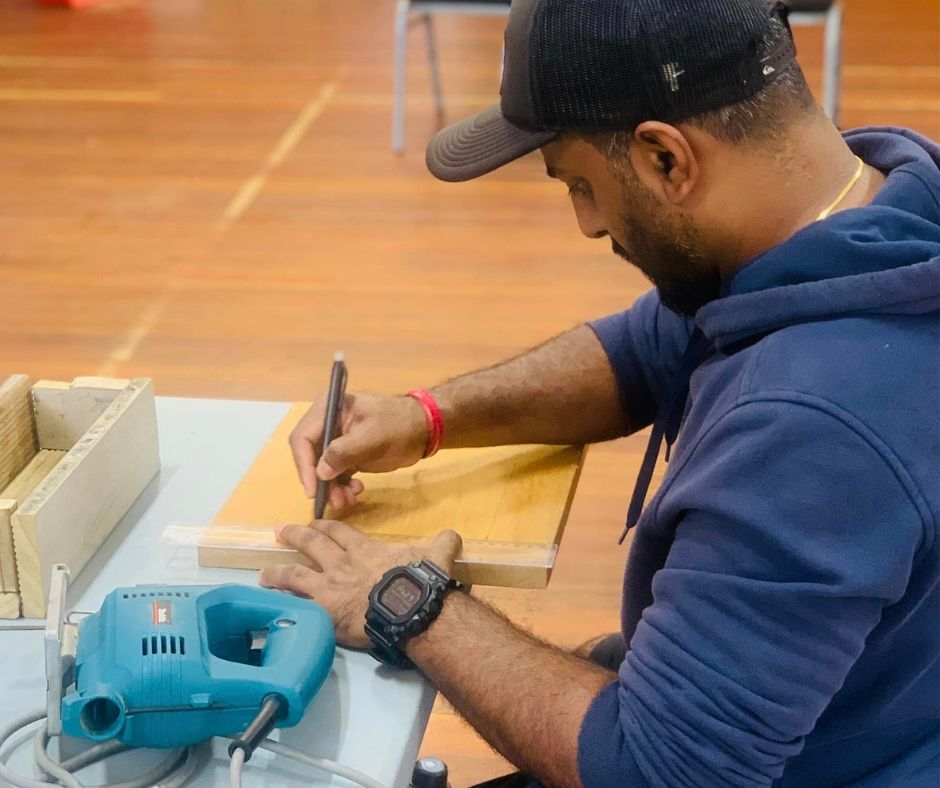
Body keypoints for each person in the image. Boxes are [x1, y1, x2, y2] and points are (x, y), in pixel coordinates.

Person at [259, 0, 940, 785]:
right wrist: (426, 417)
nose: (585, 223)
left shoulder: (812, 426)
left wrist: (408, 602)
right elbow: (645, 348)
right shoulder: (870, 219)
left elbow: (656, 768)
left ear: (666, 159)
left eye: (579, 183)